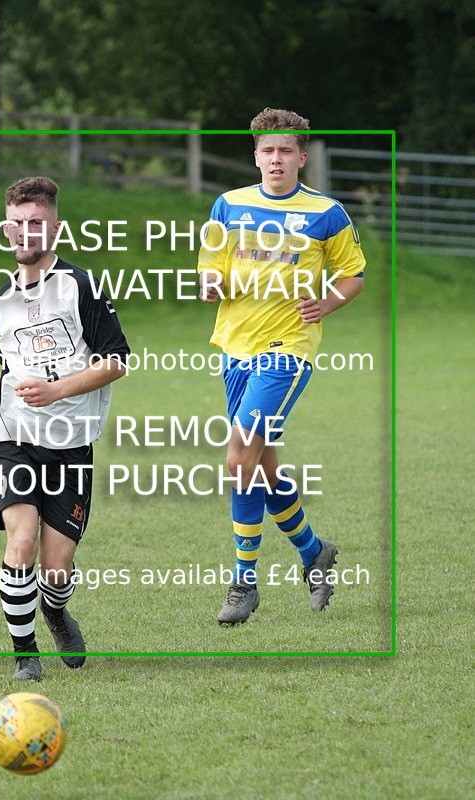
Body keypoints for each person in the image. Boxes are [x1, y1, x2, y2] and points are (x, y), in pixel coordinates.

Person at [0, 177, 129, 678]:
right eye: (16, 222)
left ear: (55, 228)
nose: (25, 231)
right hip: (12, 436)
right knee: (22, 542)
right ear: (5, 227)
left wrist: (57, 390)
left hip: (70, 442)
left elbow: (116, 361)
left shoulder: (81, 287)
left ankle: (55, 609)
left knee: (55, 570)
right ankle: (24, 655)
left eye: (35, 223)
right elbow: (9, 370)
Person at [197, 108, 366, 624]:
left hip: (287, 351)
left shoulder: (326, 213)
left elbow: (354, 274)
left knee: (238, 458)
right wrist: (210, 284)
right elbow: (211, 269)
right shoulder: (228, 206)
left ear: (302, 157)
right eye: (267, 150)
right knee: (261, 464)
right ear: (256, 157)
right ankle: (314, 553)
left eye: (285, 150)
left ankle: (243, 583)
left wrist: (327, 303)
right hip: (235, 349)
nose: (276, 158)